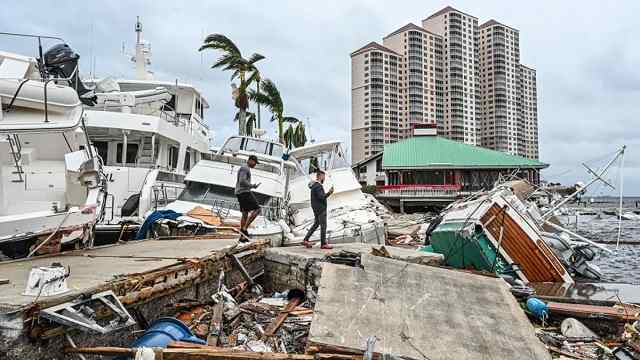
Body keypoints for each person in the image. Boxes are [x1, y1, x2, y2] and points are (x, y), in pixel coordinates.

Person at [303, 169, 334, 249]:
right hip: (321, 209)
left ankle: (305, 240)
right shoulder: (318, 186)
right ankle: (323, 244)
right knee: (323, 226)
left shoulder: (314, 186)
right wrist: (329, 192)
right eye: (324, 176)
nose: (324, 178)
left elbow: (317, 197)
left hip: (316, 208)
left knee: (316, 224)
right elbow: (321, 197)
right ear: (320, 176)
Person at [235, 155, 261, 242]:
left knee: (245, 213)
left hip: (240, 192)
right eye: (255, 163)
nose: (255, 165)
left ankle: (242, 236)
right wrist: (252, 185)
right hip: (244, 192)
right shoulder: (245, 168)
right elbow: (242, 181)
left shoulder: (245, 168)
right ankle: (244, 229)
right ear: (250, 160)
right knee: (258, 209)